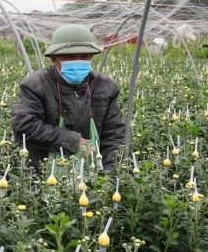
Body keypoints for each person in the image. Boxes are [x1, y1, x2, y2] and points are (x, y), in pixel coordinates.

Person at [11, 24, 125, 172]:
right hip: (44, 174)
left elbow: (114, 136)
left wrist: (107, 178)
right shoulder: (36, 86)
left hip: (90, 174)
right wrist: (74, 140)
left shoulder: (105, 87)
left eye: (85, 56)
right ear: (54, 59)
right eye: (70, 56)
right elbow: (24, 127)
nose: (78, 61)